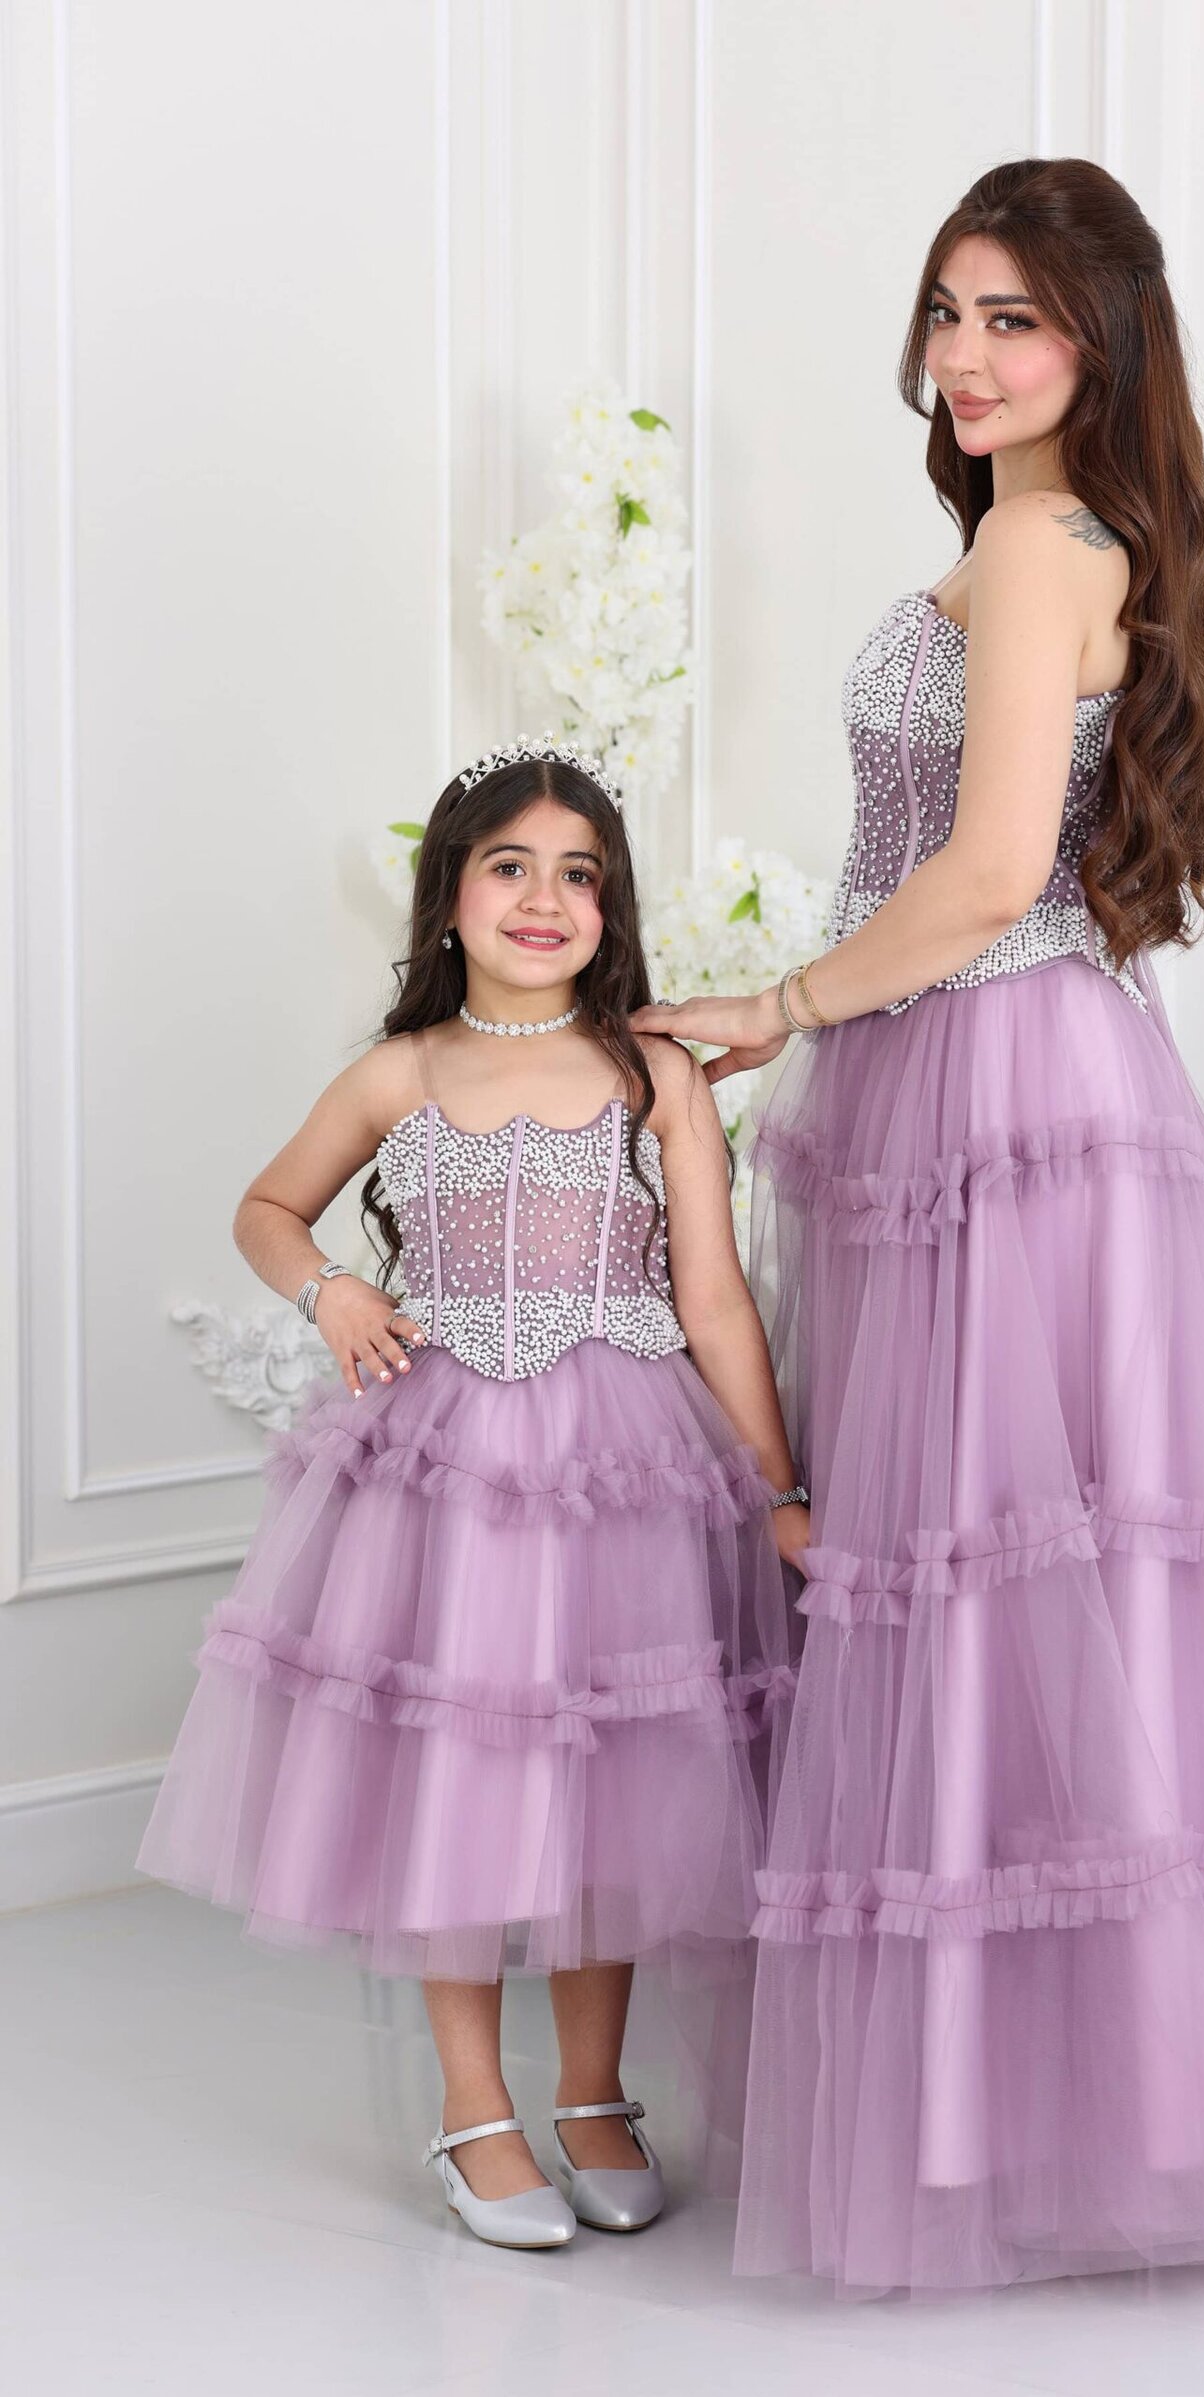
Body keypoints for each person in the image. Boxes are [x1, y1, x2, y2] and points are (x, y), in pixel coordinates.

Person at [633, 158, 1204, 2295]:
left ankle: (997, 2125)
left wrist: (778, 1004)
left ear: (1100, 339)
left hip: (997, 1086)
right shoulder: (1053, 537)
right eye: (946, 311)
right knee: (994, 1591)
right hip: (985, 1079)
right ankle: (1046, 2116)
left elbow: (995, 865)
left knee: (993, 1579)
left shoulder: (1038, 544)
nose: (964, 354)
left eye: (1011, 316)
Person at [138, 739, 804, 2251]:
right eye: (510, 867)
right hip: (446, 1468)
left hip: (622, 1469)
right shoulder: (404, 1070)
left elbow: (713, 1298)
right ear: (449, 895)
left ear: (610, 909)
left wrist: (779, 1488)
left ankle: (593, 2091)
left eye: (580, 875)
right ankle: (472, 2103)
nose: (543, 899)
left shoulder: (652, 1073)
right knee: (461, 1770)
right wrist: (328, 1292)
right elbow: (267, 1207)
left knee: (609, 1774)